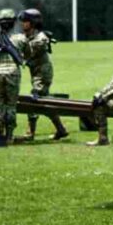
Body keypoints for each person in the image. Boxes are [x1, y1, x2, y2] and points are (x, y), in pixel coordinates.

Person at [18, 9, 69, 141]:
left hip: (42, 73)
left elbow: (30, 51)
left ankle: (30, 133)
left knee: (34, 99)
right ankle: (61, 130)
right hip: (36, 72)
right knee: (45, 103)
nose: (23, 24)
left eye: (26, 21)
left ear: (33, 23)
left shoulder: (40, 38)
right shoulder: (28, 36)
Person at [0, 9, 26, 139]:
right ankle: (9, 135)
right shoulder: (21, 38)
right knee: (11, 105)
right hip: (12, 73)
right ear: (14, 22)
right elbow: (26, 54)